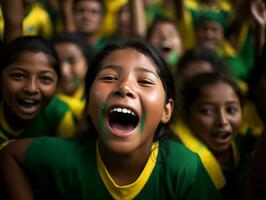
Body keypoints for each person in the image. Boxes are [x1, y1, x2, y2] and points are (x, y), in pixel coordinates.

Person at [0, 39, 222, 199]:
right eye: (109, 77)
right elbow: (10, 154)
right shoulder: (67, 159)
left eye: (144, 81)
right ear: (87, 105)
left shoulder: (185, 169)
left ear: (167, 110)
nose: (124, 87)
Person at [173, 72, 252, 199]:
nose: (222, 121)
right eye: (207, 111)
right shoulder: (181, 164)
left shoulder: (248, 146)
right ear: (187, 115)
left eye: (231, 110)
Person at [0, 36, 76, 149]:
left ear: (57, 85)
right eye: (18, 76)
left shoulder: (59, 115)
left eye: (45, 79)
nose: (31, 88)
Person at [52, 32, 93, 121]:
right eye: (56, 62)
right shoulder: (43, 105)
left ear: (87, 63)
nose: (64, 71)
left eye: (72, 61)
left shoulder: (95, 100)